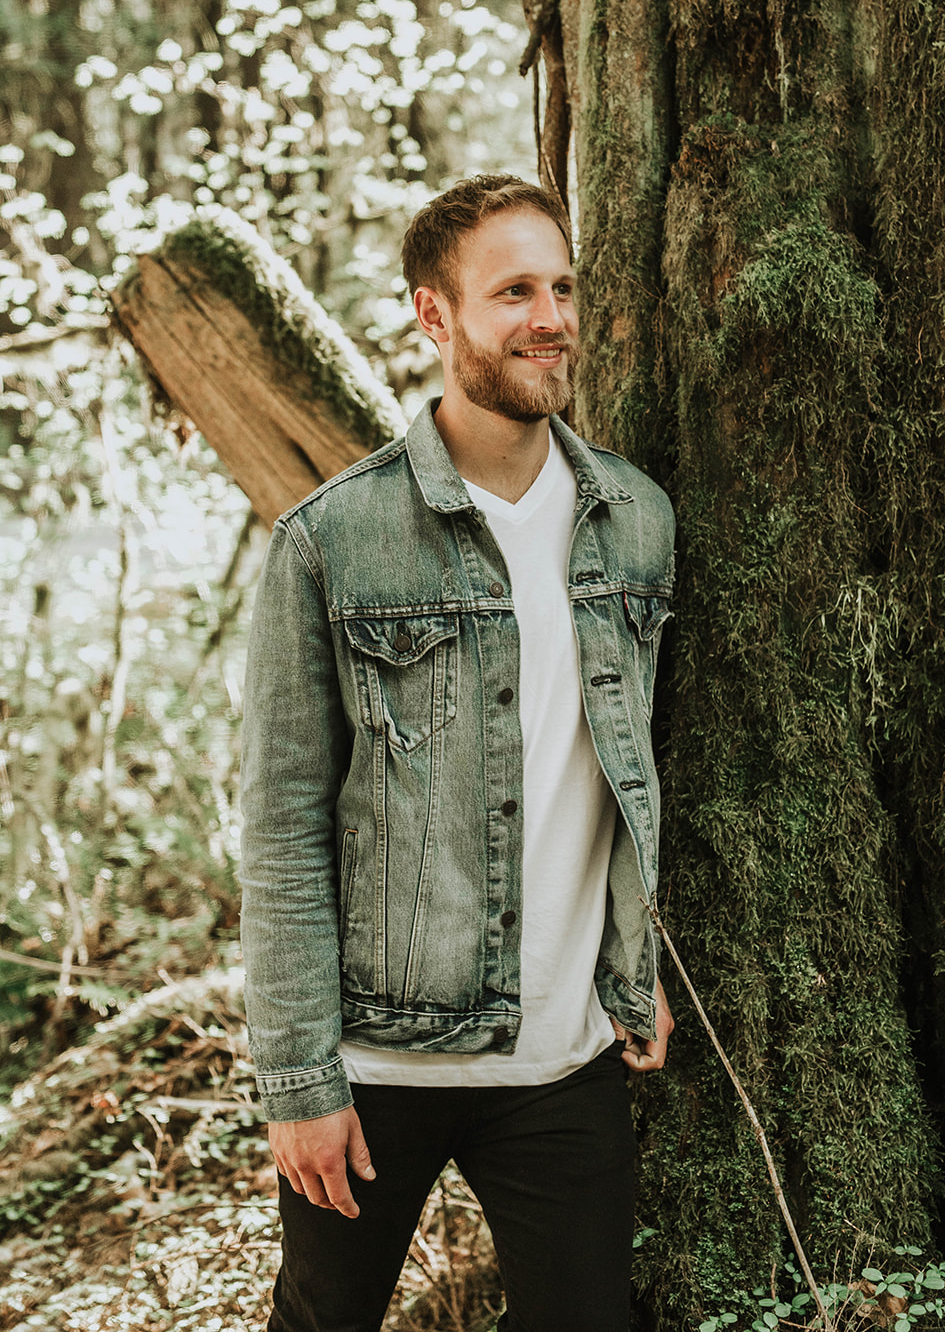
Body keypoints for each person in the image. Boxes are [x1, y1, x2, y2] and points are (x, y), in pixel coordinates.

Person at [239, 174, 676, 1332]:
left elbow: (623, 770)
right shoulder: (332, 540)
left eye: (562, 286)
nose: (551, 317)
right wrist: (296, 1080)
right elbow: (282, 826)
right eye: (514, 292)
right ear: (434, 317)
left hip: (566, 1067)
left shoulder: (634, 520)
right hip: (376, 1070)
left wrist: (632, 963)